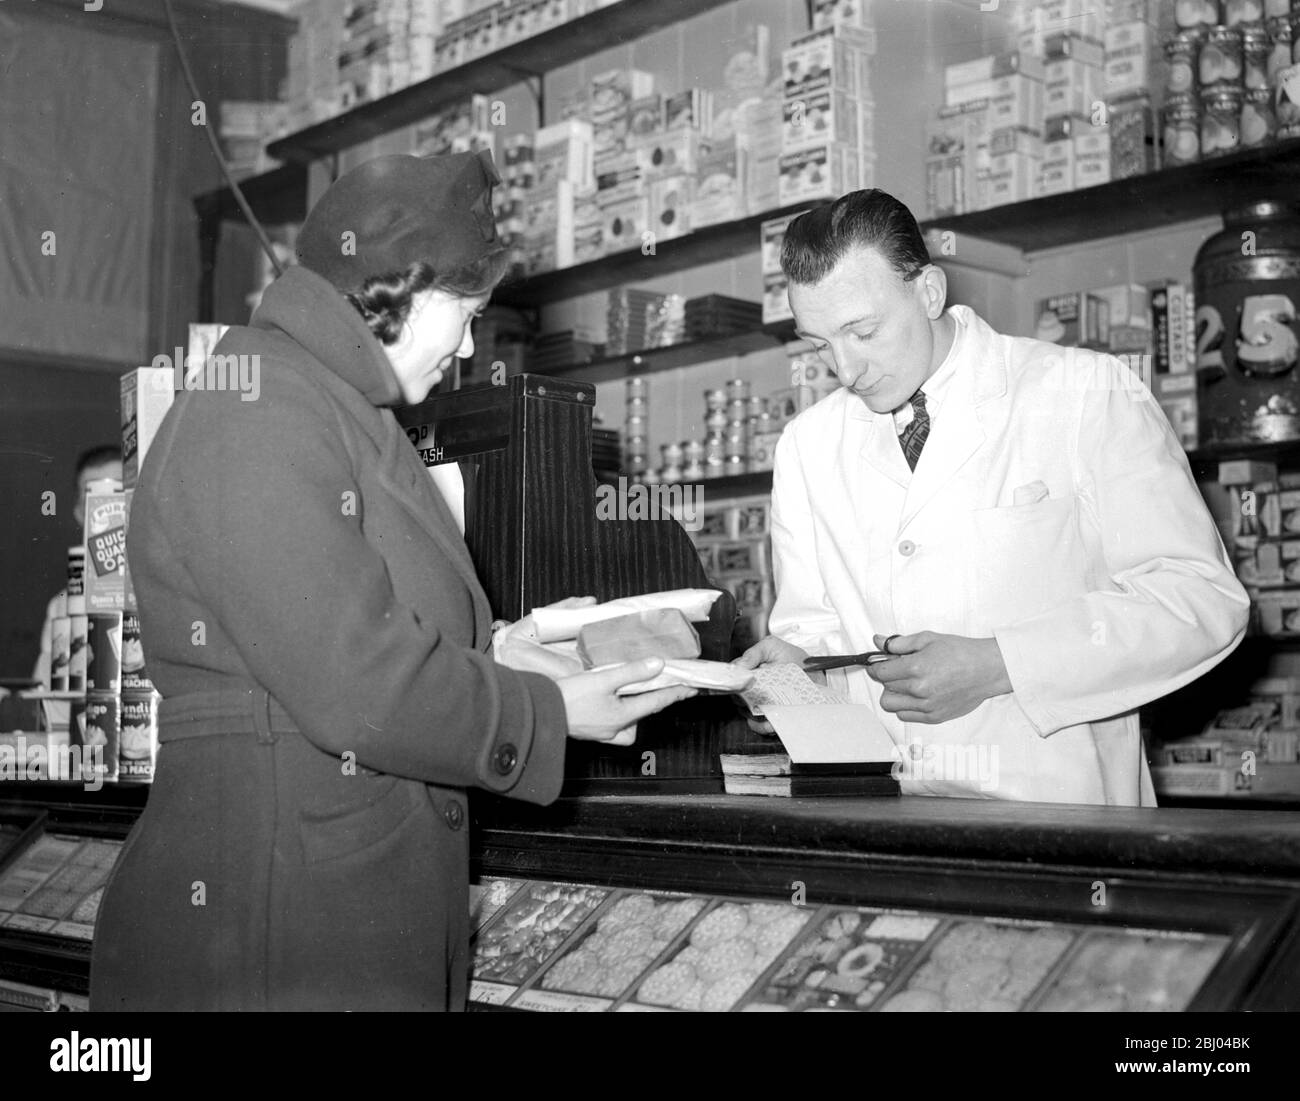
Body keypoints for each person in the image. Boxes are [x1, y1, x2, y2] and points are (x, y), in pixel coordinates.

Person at [89, 150, 696, 1011]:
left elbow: (341, 629)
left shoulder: (322, 400)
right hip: (269, 941)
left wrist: (507, 650)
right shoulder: (259, 406)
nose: (473, 346)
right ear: (404, 291)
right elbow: (358, 682)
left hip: (317, 917)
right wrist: (547, 712)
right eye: (472, 313)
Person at [736, 189, 1249, 805]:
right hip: (889, 821)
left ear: (928, 292)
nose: (844, 370)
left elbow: (1201, 598)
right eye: (819, 344)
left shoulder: (1081, 392)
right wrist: (791, 681)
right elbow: (820, 645)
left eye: (863, 331)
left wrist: (1003, 663)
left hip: (1064, 817)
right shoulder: (807, 445)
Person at [32, 445, 123, 702]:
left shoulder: (164, 591)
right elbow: (50, 705)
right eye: (94, 500)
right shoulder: (61, 608)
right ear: (79, 514)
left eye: (117, 496)